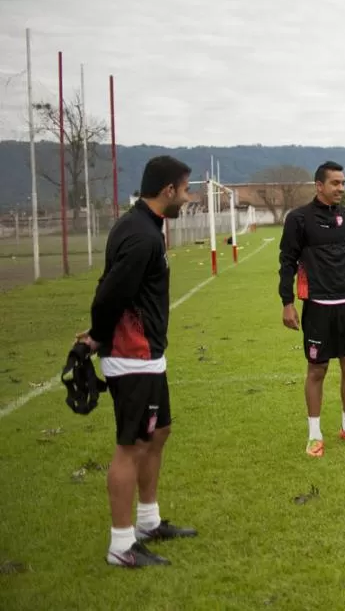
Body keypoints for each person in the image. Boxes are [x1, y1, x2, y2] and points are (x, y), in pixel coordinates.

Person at [77, 155, 197, 568]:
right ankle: (121, 546)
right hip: (133, 356)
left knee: (158, 431)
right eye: (185, 189)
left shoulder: (145, 226)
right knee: (131, 446)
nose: (188, 195)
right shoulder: (141, 235)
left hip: (149, 354)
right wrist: (96, 335)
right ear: (168, 191)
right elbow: (111, 292)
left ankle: (148, 522)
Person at [279, 161, 345, 458]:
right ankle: (314, 435)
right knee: (317, 369)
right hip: (318, 306)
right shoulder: (298, 219)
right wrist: (287, 302)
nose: (341, 188)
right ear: (319, 186)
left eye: (342, 183)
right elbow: (287, 261)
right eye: (335, 183)